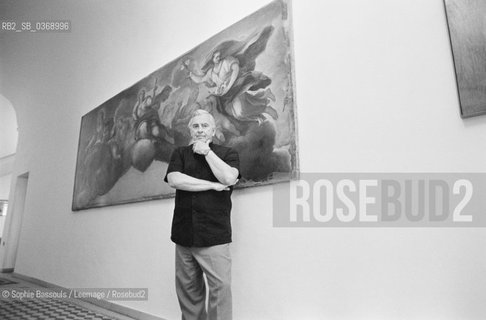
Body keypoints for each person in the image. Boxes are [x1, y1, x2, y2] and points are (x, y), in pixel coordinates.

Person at [164, 109, 240, 320]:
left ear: (213, 130)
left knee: (220, 290)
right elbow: (174, 180)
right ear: (190, 130)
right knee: (189, 294)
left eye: (204, 126)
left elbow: (228, 178)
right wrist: (211, 186)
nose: (200, 130)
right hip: (183, 235)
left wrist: (207, 152)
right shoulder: (179, 153)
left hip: (214, 236)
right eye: (195, 126)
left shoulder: (228, 153)